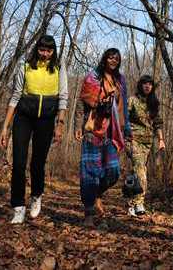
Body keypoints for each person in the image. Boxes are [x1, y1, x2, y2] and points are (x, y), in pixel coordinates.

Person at [0, 35, 67, 224]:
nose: (45, 54)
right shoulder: (25, 66)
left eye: (49, 51)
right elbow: (15, 96)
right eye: (42, 50)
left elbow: (63, 98)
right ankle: (18, 207)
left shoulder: (59, 69)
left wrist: (60, 124)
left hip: (46, 119)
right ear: (37, 49)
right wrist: (5, 127)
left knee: (37, 162)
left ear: (54, 52)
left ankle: (36, 195)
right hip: (24, 118)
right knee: (18, 162)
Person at [74, 48, 132, 226]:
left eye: (116, 58)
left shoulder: (120, 80)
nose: (113, 60)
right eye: (110, 57)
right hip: (92, 129)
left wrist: (127, 130)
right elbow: (82, 102)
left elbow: (124, 107)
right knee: (90, 173)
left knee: (113, 171)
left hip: (112, 131)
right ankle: (89, 213)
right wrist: (78, 126)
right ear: (104, 58)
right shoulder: (93, 77)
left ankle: (97, 194)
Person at [126, 74, 165, 216]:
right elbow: (124, 117)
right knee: (141, 170)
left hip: (148, 143)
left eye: (150, 84)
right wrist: (125, 134)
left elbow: (158, 123)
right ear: (140, 85)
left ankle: (130, 203)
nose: (147, 86)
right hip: (133, 140)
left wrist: (161, 140)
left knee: (137, 172)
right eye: (145, 83)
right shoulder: (132, 100)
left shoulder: (153, 103)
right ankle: (139, 203)